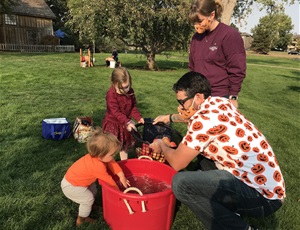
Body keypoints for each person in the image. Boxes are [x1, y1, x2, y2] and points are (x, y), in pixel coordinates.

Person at [150, 71, 285, 230]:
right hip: (269, 186)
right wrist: (170, 117)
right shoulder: (219, 102)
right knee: (200, 158)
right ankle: (227, 206)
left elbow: (177, 163)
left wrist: (161, 144)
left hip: (263, 198)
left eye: (182, 102)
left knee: (181, 184)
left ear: (198, 98)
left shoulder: (205, 120)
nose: (179, 107)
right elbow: (189, 116)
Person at [61, 128, 130, 226]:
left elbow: (113, 164)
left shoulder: (101, 157)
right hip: (71, 186)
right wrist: (119, 193)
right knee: (87, 199)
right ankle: (82, 219)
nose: (114, 156)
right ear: (101, 155)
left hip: (78, 181)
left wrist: (122, 177)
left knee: (93, 190)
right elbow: (108, 180)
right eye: (112, 154)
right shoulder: (97, 166)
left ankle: (91, 205)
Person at [189, 0, 246, 108]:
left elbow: (237, 69)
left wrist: (233, 96)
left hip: (220, 97)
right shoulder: (196, 38)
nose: (196, 26)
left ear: (212, 15)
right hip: (199, 97)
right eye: (194, 22)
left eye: (200, 21)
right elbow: (192, 67)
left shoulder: (229, 35)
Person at [102, 67, 144, 160]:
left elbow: (133, 107)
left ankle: (124, 163)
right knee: (110, 147)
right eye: (121, 88)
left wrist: (138, 117)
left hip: (124, 124)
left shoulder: (130, 92)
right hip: (113, 124)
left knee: (124, 146)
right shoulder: (111, 94)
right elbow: (116, 112)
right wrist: (128, 122)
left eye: (127, 86)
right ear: (114, 83)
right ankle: (107, 163)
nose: (125, 90)